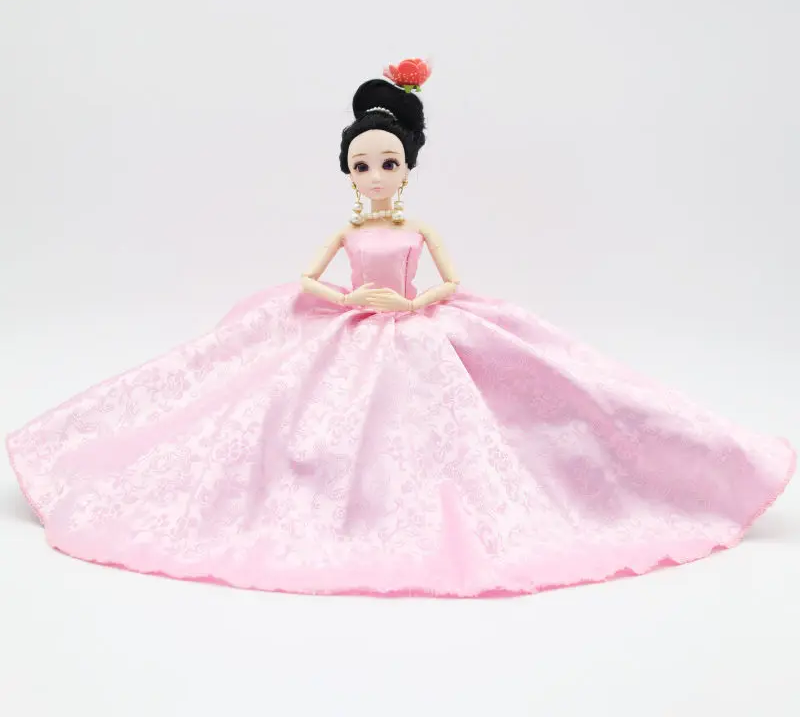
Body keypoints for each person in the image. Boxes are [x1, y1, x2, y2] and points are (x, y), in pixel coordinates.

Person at [6, 59, 796, 597]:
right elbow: (312, 275)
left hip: (418, 327)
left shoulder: (417, 230)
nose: (376, 175)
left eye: (387, 163)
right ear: (348, 172)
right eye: (363, 165)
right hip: (348, 323)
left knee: (540, 389)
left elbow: (448, 279)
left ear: (408, 166)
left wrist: (415, 305)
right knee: (252, 401)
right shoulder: (350, 232)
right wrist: (344, 298)